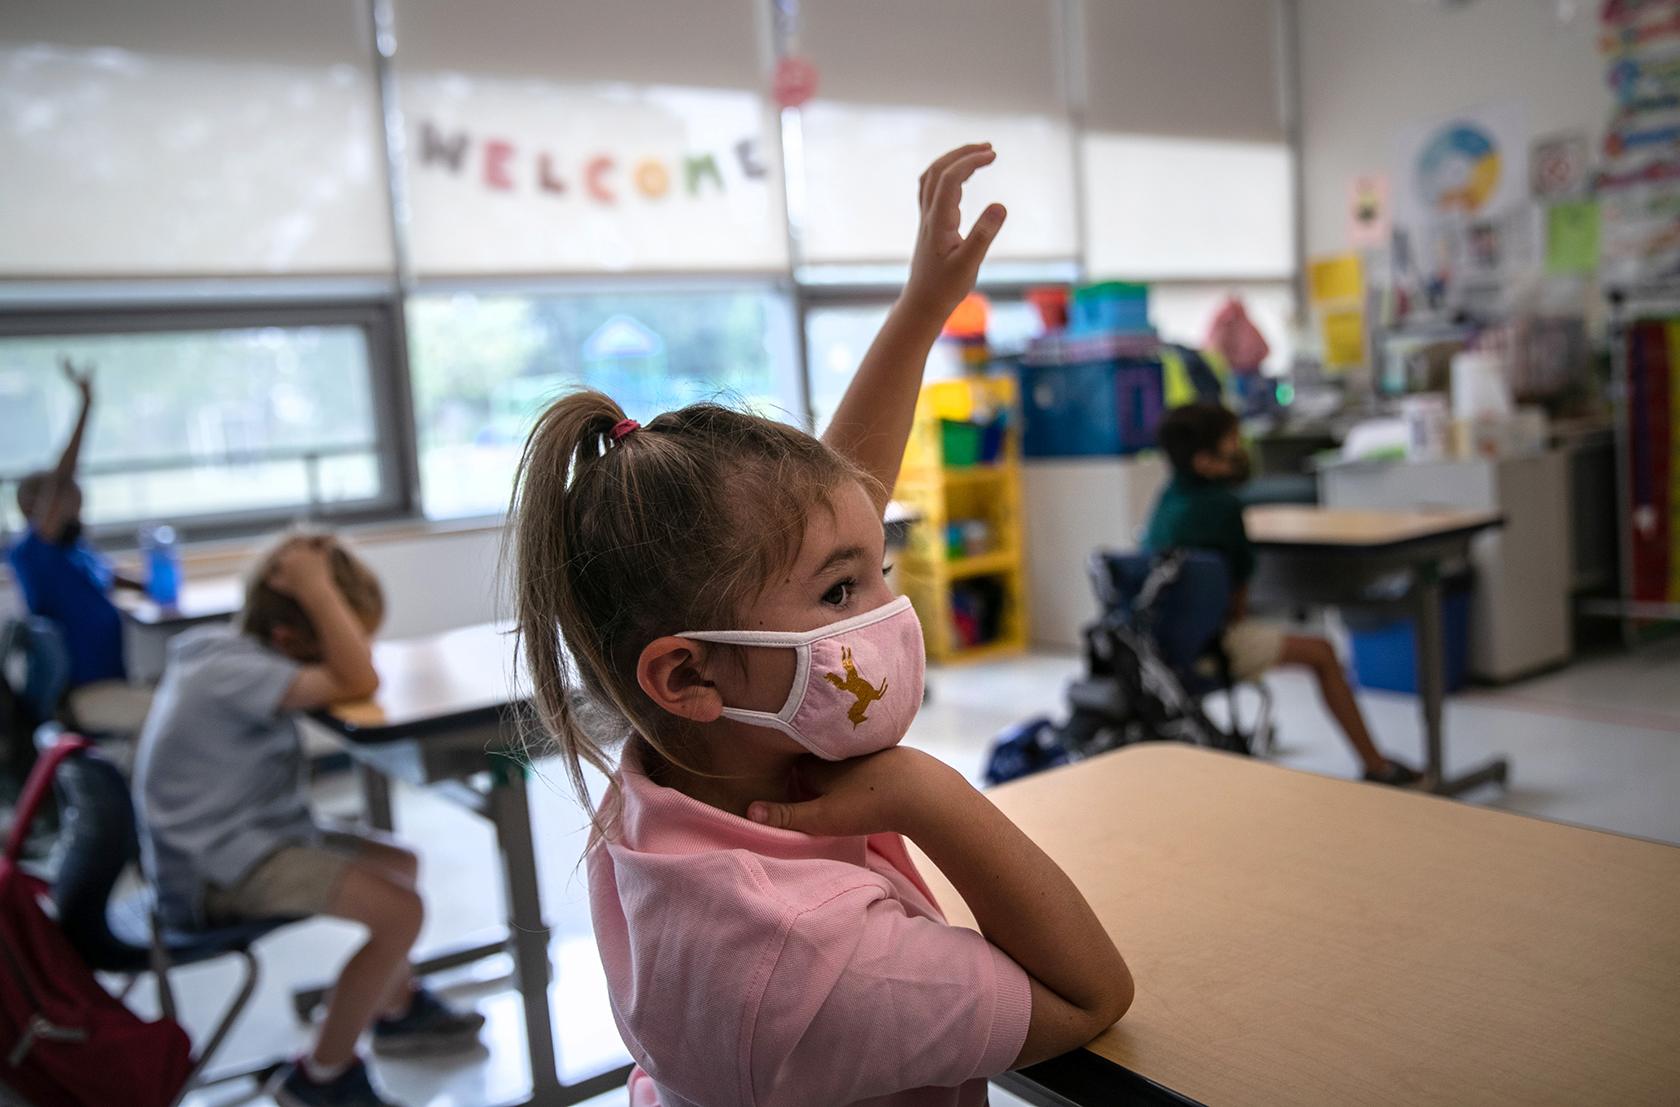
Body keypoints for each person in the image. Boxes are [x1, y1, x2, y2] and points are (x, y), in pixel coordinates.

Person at [510, 144, 1133, 1107]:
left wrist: (923, 309)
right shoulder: (813, 962)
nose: (887, 610)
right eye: (843, 594)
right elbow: (1091, 996)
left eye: (876, 571)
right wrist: (927, 796)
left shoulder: (677, 775)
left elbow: (826, 515)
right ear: (685, 677)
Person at [133, 533, 484, 1107]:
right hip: (216, 869)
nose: (354, 650)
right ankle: (320, 1078)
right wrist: (318, 587)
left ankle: (393, 1010)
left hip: (246, 836)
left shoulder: (226, 652)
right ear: (289, 638)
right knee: (402, 913)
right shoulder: (232, 670)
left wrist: (315, 586)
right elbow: (359, 681)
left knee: (401, 862)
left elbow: (350, 674)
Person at [1143, 402, 1420, 785]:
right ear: (1206, 461)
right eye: (1231, 444)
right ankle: (1377, 766)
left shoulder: (1166, 500)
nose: (1240, 452)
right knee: (1323, 653)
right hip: (1207, 651)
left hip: (1159, 649)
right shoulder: (1224, 507)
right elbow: (1237, 604)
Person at [7, 360, 153, 736]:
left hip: (113, 680)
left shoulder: (76, 550)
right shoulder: (33, 553)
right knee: (180, 712)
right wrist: (87, 404)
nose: (78, 504)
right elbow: (62, 477)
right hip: (83, 695)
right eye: (68, 499)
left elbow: (117, 579)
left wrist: (150, 582)